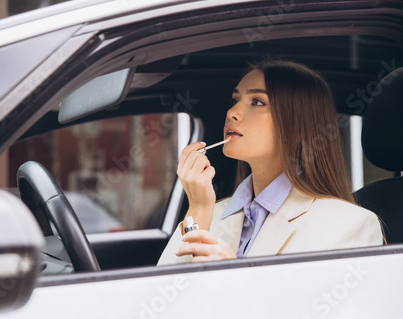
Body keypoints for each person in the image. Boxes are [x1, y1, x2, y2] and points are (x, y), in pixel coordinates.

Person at [157, 59, 383, 265]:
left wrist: (234, 281)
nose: (233, 112)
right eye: (235, 100)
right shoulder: (211, 212)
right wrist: (197, 209)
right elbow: (165, 293)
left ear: (298, 126)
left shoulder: (349, 225)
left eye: (257, 102)